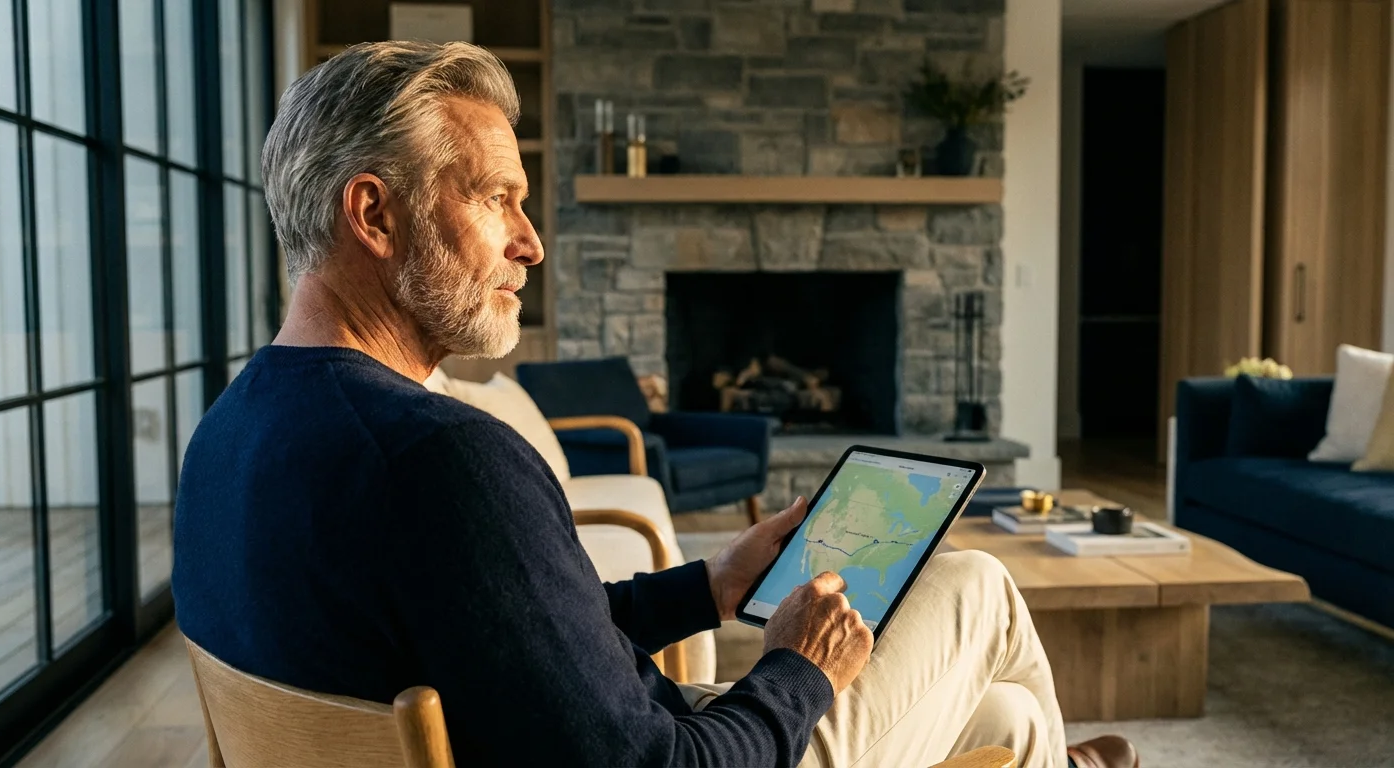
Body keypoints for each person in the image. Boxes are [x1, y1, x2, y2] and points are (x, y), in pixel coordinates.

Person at [172, 41, 1137, 768]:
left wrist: (709, 588)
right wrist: (799, 665)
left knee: (1006, 727)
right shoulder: (442, 460)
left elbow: (514, 640)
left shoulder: (231, 431)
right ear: (374, 214)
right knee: (975, 588)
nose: (532, 241)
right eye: (498, 199)